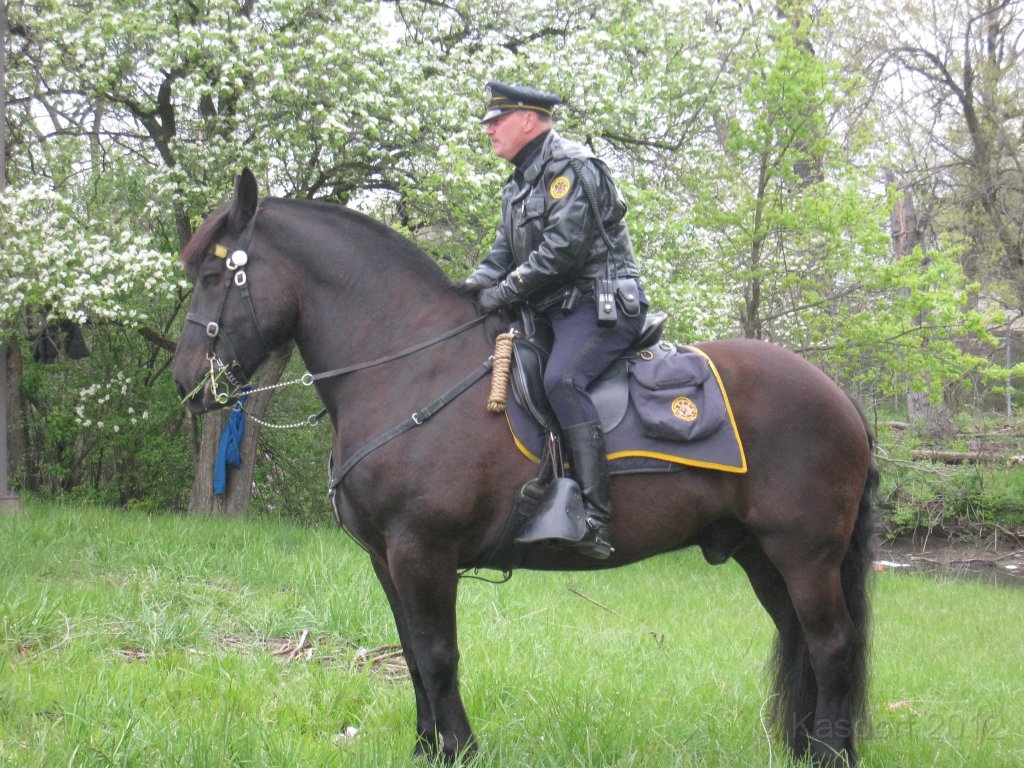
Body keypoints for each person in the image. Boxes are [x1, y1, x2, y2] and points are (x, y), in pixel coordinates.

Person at [463, 81, 648, 559]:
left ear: (529, 119)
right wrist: (462, 296)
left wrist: (499, 294)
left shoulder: (571, 167)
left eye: (496, 121)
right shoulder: (517, 185)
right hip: (550, 310)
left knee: (562, 380)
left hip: (599, 305)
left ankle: (595, 518)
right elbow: (501, 255)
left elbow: (561, 252)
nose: (489, 131)